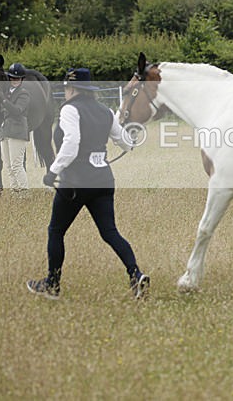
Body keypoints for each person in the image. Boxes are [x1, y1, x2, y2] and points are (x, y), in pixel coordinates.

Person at [26, 67, 150, 300]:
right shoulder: (105, 111)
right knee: (110, 232)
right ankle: (136, 274)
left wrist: (52, 171)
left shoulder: (70, 109)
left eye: (66, 88)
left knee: (56, 231)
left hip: (76, 183)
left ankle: (52, 284)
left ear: (72, 89)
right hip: (103, 180)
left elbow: (72, 144)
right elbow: (125, 143)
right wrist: (132, 135)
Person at [0, 62, 31, 194]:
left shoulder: (24, 94)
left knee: (17, 165)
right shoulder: (7, 92)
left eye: (18, 78)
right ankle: (14, 192)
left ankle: (24, 192)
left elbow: (17, 110)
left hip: (17, 130)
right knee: (9, 166)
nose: (15, 80)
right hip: (5, 130)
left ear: (21, 79)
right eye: (13, 78)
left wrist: (3, 100)